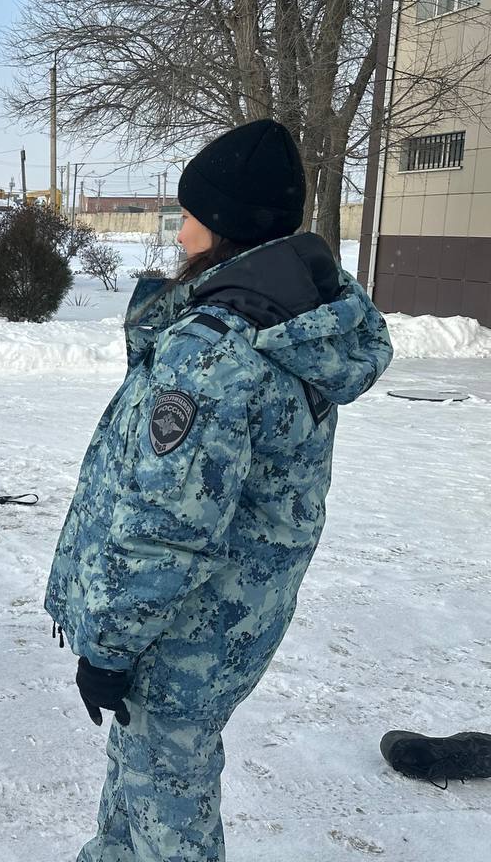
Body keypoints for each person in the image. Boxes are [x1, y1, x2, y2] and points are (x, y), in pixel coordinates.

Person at [44, 118, 394, 861]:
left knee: (170, 804)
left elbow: (166, 527)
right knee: (143, 779)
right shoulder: (294, 315)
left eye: (191, 212)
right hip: (235, 613)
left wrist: (108, 646)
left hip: (184, 630)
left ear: (228, 224)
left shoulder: (214, 352)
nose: (179, 228)